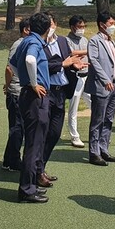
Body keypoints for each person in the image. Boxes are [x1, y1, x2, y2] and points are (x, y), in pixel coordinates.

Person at [10, 12, 52, 203]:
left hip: (29, 95)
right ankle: (27, 190)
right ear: (47, 28)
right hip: (35, 97)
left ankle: (31, 186)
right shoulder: (34, 43)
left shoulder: (26, 41)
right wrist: (33, 83)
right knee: (34, 144)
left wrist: (25, 81)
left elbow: (13, 65)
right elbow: (29, 60)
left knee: (35, 142)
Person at [42, 13, 82, 182]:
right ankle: (37, 171)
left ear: (56, 24)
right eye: (46, 25)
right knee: (41, 133)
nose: (49, 28)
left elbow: (68, 62)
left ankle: (40, 166)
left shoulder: (63, 41)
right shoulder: (37, 44)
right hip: (45, 91)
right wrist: (61, 64)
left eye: (51, 24)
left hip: (61, 92)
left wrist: (74, 65)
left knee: (54, 133)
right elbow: (40, 67)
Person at [85, 11, 115, 166]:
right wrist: (105, 79)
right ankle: (94, 152)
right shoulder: (95, 41)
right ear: (102, 25)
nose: (113, 26)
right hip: (102, 86)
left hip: (114, 85)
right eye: (110, 24)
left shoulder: (111, 41)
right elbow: (94, 61)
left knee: (109, 119)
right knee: (98, 119)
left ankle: (104, 148)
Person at [2, 18, 29, 171]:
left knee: (17, 127)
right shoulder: (19, 45)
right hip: (16, 91)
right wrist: (7, 85)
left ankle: (8, 160)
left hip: (18, 91)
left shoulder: (25, 44)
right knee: (18, 128)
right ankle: (13, 161)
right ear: (26, 30)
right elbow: (9, 69)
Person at [65, 15, 90, 148]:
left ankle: (97, 133)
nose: (82, 29)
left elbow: (79, 54)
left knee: (94, 104)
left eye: (83, 26)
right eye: (80, 26)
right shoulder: (66, 40)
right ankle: (75, 136)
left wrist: (81, 53)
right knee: (73, 108)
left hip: (87, 76)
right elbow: (71, 53)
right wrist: (85, 52)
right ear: (72, 27)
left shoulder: (85, 39)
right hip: (76, 77)